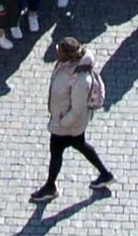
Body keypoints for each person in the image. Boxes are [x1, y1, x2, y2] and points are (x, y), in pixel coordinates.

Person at [30, 33, 115, 209]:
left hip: (68, 125)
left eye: (59, 51)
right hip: (67, 123)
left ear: (67, 55)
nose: (56, 53)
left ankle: (50, 186)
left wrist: (62, 123)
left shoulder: (80, 80)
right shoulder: (67, 66)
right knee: (80, 145)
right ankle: (105, 175)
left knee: (58, 150)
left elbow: (77, 110)